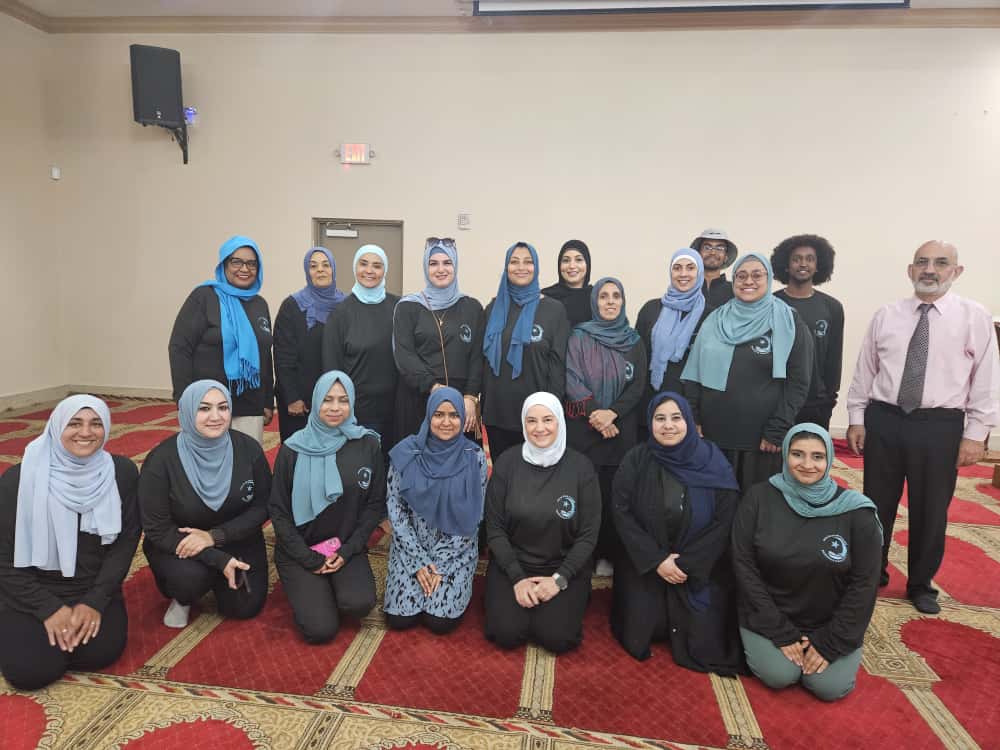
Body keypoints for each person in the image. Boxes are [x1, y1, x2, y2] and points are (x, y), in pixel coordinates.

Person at [846, 240, 999, 614]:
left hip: (940, 425)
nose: (930, 270)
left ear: (956, 271)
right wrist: (856, 418)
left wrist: (976, 434)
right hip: (885, 419)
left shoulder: (973, 317)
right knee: (875, 504)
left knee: (930, 509)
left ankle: (920, 583)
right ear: (910, 270)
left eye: (941, 263)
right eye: (922, 262)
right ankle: (872, 571)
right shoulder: (887, 315)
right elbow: (865, 370)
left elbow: (986, 380)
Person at [732, 424, 883, 701]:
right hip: (770, 613)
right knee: (779, 675)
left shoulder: (856, 512)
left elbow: (865, 583)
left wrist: (830, 642)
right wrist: (779, 630)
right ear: (785, 455)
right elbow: (743, 565)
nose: (807, 464)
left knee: (829, 687)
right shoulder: (758, 498)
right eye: (797, 454)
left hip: (830, 620)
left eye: (817, 456)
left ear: (829, 459)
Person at [0, 396, 139, 690]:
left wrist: (95, 601)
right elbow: (4, 559)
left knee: (99, 653)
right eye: (74, 424)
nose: (86, 432)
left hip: (91, 587)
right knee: (30, 672)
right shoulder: (18, 481)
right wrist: (48, 608)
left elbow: (124, 544)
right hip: (32, 590)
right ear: (56, 427)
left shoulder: (122, 473)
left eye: (96, 423)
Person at [610, 393, 742, 674]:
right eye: (660, 418)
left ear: (689, 421)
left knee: (703, 634)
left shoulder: (713, 461)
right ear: (650, 423)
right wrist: (657, 560)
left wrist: (686, 564)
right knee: (645, 627)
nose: (668, 425)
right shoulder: (636, 459)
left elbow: (724, 520)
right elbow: (621, 512)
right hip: (647, 563)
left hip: (697, 566)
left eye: (676, 418)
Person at [139, 381, 271, 628]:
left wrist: (215, 536)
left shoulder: (248, 449)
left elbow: (263, 506)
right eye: (204, 408)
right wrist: (216, 558)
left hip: (236, 538)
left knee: (244, 607)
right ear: (188, 411)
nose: (216, 417)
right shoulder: (161, 460)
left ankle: (219, 577)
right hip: (181, 544)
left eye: (223, 407)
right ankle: (183, 599)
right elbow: (157, 528)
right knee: (188, 580)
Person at [269, 371, 385, 644]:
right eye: (327, 400)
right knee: (320, 630)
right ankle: (312, 589)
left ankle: (332, 587)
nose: (335, 407)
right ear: (316, 401)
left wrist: (347, 551)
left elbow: (374, 505)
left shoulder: (367, 444)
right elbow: (278, 511)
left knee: (359, 603)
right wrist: (308, 558)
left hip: (344, 547)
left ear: (352, 402)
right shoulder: (292, 449)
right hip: (300, 550)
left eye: (343, 400)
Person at [682, 253, 813, 490]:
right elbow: (693, 374)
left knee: (755, 503)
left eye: (756, 275)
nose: (748, 281)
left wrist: (777, 428)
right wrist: (693, 418)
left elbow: (799, 382)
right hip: (713, 434)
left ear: (768, 278)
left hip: (762, 440)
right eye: (741, 276)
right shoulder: (715, 319)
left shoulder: (788, 320)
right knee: (717, 500)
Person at [484, 392, 600, 654]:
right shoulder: (507, 463)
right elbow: (495, 528)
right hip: (513, 565)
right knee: (506, 633)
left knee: (556, 637)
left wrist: (559, 579)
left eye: (548, 419)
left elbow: (588, 534)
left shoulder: (581, 468)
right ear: (523, 424)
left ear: (559, 421)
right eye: (531, 421)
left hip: (562, 567)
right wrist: (517, 578)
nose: (539, 428)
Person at [383, 387, 487, 634]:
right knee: (399, 619)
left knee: (439, 622)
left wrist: (438, 563)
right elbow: (395, 509)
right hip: (411, 549)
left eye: (454, 415)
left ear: (463, 418)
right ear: (428, 415)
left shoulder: (474, 457)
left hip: (455, 551)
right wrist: (419, 561)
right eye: (439, 414)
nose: (446, 422)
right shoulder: (407, 452)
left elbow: (474, 515)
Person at [564, 277, 647, 576]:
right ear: (594, 301)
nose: (610, 301)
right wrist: (597, 415)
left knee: (616, 496)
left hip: (620, 429)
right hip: (585, 430)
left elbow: (638, 385)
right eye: (603, 296)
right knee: (586, 495)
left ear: (623, 301)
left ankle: (610, 553)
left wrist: (612, 413)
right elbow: (571, 378)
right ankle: (583, 554)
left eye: (616, 296)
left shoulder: (634, 341)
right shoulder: (579, 336)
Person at [168, 235, 274, 445]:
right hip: (207, 404)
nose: (244, 268)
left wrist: (268, 400)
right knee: (206, 459)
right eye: (236, 262)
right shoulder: (203, 297)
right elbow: (180, 348)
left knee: (246, 459)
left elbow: (264, 355)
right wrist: (184, 398)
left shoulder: (259, 304)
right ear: (224, 264)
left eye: (252, 263)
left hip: (250, 403)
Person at [482, 242, 571, 461]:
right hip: (497, 414)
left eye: (528, 262)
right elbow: (482, 361)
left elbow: (558, 366)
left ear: (536, 266)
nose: (521, 267)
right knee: (503, 475)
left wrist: (550, 411)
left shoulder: (554, 310)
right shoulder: (493, 309)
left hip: (537, 418)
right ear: (506, 267)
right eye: (514, 262)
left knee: (537, 476)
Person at [392, 237, 484, 442]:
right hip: (418, 399)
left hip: (462, 404)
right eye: (433, 263)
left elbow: (477, 357)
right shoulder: (407, 307)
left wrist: (471, 397)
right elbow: (404, 356)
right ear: (425, 267)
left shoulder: (472, 307)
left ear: (455, 265)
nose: (440, 269)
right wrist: (433, 387)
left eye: (447, 263)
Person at [322, 245, 400, 452]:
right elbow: (332, 367)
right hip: (357, 412)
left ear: (385, 270)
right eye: (363, 264)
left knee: (392, 465)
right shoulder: (341, 313)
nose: (369, 271)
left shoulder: (399, 307)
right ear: (355, 267)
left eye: (377, 265)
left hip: (397, 409)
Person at [772, 235, 844, 430]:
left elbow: (834, 358)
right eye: (796, 259)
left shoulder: (832, 307)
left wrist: (829, 400)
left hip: (816, 404)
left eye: (810, 259)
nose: (803, 263)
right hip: (776, 400)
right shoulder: (771, 304)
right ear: (786, 265)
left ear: (818, 265)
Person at [273, 247, 346, 442]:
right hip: (301, 401)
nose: (320, 270)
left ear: (333, 269)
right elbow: (283, 355)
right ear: (307, 271)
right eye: (313, 266)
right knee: (299, 451)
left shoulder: (345, 305)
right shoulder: (292, 306)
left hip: (336, 398)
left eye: (325, 265)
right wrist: (292, 397)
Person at [636, 249, 708, 436]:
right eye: (677, 268)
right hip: (651, 401)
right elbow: (638, 360)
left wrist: (698, 416)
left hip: (689, 408)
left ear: (700, 272)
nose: (683, 273)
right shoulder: (651, 309)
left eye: (690, 268)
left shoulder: (710, 315)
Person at [540, 239, 594, 327]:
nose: (572, 266)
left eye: (578, 260)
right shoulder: (545, 297)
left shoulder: (597, 297)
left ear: (587, 264)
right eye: (566, 260)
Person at [690, 228, 737, 312]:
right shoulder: (687, 287)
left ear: (726, 257)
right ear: (698, 254)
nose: (713, 252)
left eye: (719, 248)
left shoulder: (735, 290)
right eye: (707, 247)